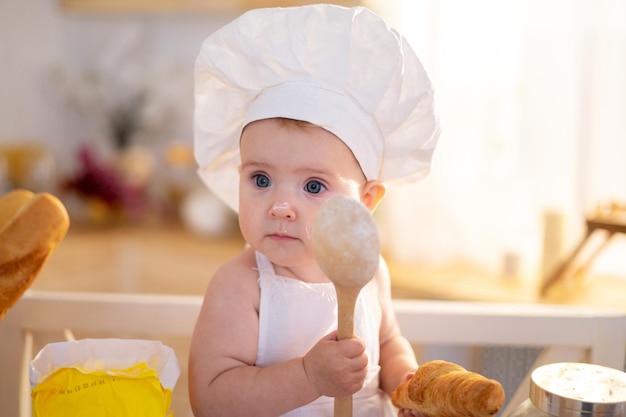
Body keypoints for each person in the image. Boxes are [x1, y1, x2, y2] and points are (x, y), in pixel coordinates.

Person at [189, 4, 439, 417]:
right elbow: (212, 401)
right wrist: (308, 377)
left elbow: (389, 343)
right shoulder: (242, 285)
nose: (282, 207)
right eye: (261, 179)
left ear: (366, 201)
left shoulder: (371, 271)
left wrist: (406, 383)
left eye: (314, 186)